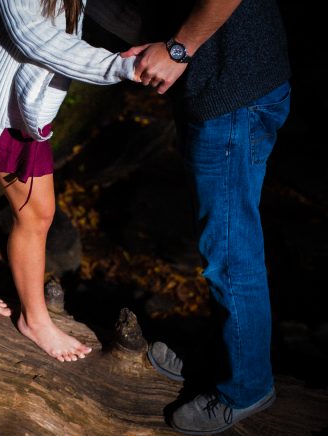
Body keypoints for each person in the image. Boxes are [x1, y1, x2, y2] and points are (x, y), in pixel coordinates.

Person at [104, 0, 291, 432]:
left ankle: (247, 388)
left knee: (230, 251)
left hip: (232, 95)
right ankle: (227, 360)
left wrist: (177, 50)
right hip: (230, 85)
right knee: (223, 241)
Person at [0, 0, 137, 362]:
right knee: (37, 215)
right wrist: (121, 66)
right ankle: (35, 320)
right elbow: (34, 36)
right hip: (2, 102)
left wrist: (167, 45)